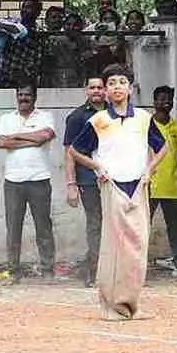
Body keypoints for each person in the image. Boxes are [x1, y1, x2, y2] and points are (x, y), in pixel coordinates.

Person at [70, 64, 166, 320]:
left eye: (122, 82)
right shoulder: (98, 121)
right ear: (106, 90)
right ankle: (110, 304)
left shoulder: (144, 118)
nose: (117, 87)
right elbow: (75, 150)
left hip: (137, 185)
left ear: (130, 88)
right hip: (112, 185)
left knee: (138, 244)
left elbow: (162, 147)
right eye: (111, 83)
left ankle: (131, 303)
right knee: (114, 245)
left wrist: (149, 170)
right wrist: (97, 166)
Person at [0, 83, 56, 284]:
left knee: (43, 227)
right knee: (13, 229)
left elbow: (44, 137)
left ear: (35, 98)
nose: (23, 98)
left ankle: (48, 270)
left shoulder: (45, 117)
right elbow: (1, 143)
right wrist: (32, 139)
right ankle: (14, 272)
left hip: (39, 179)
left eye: (27, 95)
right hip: (13, 181)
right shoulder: (6, 118)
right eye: (20, 95)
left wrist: (14, 137)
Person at [64, 76, 107, 287]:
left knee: (116, 224)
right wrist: (71, 185)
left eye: (100, 87)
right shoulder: (77, 117)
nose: (97, 91)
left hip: (115, 178)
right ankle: (94, 272)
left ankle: (115, 271)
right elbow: (69, 153)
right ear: (86, 90)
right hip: (89, 180)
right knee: (95, 224)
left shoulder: (116, 112)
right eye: (93, 87)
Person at [149, 86, 177, 277]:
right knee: (142, 225)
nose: (165, 102)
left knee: (174, 226)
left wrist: (170, 171)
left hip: (173, 187)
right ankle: (136, 262)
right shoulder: (146, 126)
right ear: (154, 102)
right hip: (149, 186)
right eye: (161, 99)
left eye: (168, 99)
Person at [0, 0, 44, 88]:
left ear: (37, 13)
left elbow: (37, 61)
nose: (24, 10)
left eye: (29, 7)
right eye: (23, 7)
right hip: (4, 79)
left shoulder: (39, 34)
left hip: (24, 83)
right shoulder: (12, 24)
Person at [42, 12, 95, 88]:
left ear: (81, 26)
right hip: (58, 81)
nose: (71, 27)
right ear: (64, 25)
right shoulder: (55, 40)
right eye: (68, 24)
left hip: (79, 81)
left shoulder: (86, 41)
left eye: (75, 25)